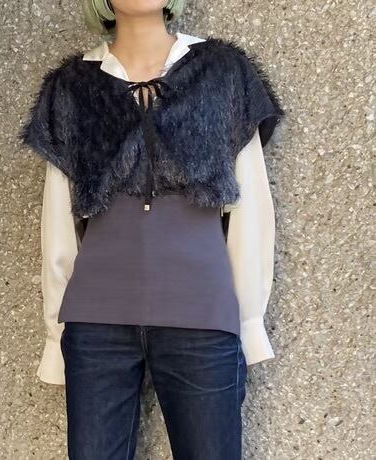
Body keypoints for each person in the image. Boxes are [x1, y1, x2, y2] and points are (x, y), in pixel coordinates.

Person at [19, 1, 285, 458]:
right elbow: (58, 222)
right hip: (96, 324)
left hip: (201, 315)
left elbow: (251, 210)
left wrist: (247, 323)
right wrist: (53, 337)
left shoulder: (222, 73)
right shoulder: (72, 87)